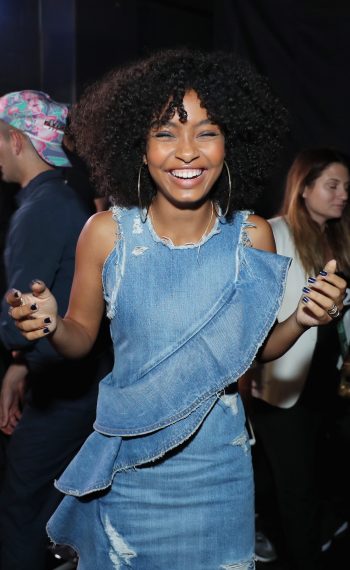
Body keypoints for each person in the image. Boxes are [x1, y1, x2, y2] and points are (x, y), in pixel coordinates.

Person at [6, 52, 346, 570]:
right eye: (165, 134)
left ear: (229, 145)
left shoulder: (252, 237)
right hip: (129, 469)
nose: (187, 152)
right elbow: (78, 336)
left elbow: (253, 351)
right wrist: (50, 323)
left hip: (219, 470)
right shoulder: (106, 233)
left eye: (206, 133)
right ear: (138, 149)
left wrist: (302, 317)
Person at [0, 90, 112, 570]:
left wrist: (16, 348)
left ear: (17, 141)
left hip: (65, 393)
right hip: (70, 382)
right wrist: (20, 367)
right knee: (51, 515)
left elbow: (17, 320)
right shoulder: (59, 198)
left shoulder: (44, 208)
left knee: (22, 514)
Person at [250, 147, 350, 569]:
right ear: (304, 188)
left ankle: (303, 539)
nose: (343, 194)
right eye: (332, 185)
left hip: (326, 380)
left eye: (347, 187)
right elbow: (254, 319)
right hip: (282, 380)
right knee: (294, 486)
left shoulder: (339, 238)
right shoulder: (272, 233)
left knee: (314, 475)